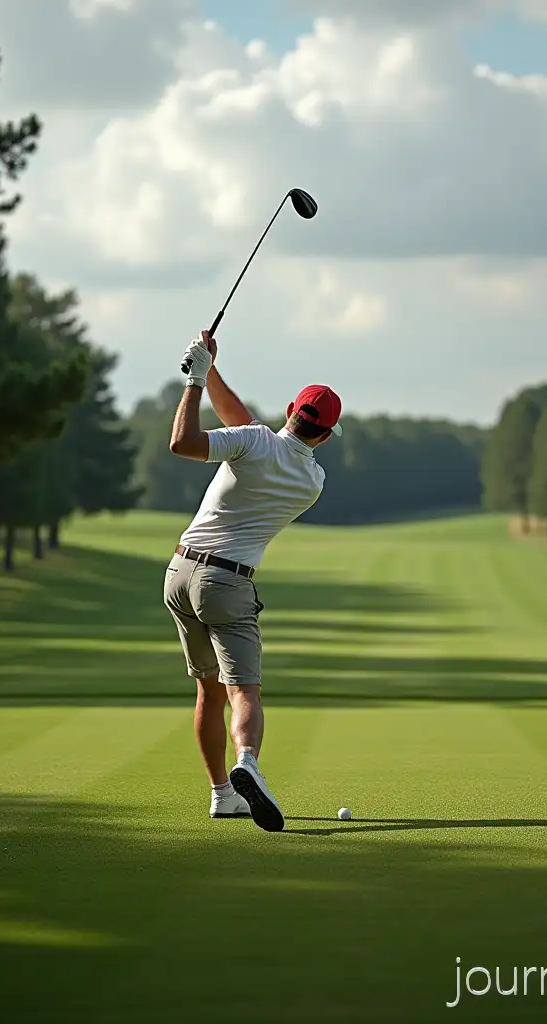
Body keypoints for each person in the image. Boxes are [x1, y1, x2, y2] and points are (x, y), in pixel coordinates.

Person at [163, 330, 342, 832]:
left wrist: (196, 379)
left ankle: (222, 794)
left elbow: (184, 441)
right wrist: (210, 370)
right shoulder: (312, 482)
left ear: (290, 410)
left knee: (208, 692)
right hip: (226, 585)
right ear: (325, 435)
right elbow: (241, 427)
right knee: (245, 692)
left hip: (179, 573)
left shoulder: (254, 440)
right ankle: (248, 764)